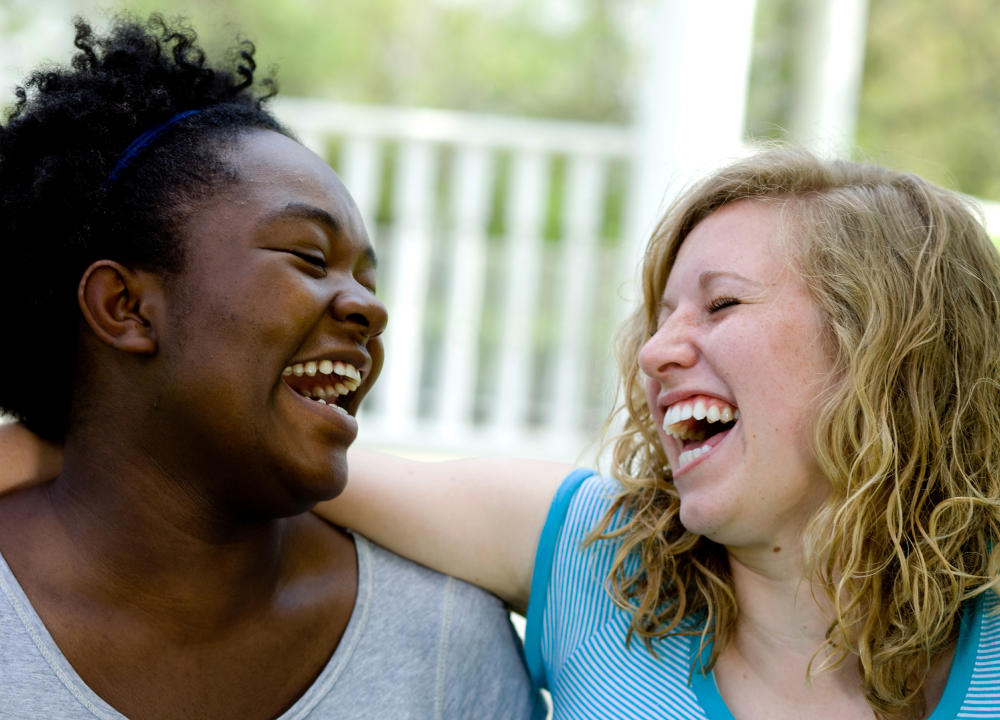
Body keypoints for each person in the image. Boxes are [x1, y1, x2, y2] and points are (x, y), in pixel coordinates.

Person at [5, 61, 999, 720]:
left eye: (720, 304)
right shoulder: (600, 560)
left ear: (883, 351)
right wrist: (84, 436)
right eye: (659, 316)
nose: (656, 352)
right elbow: (270, 457)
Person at [0, 16, 541, 720]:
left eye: (368, 281)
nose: (368, 312)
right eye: (308, 258)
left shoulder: (443, 642)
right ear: (126, 306)